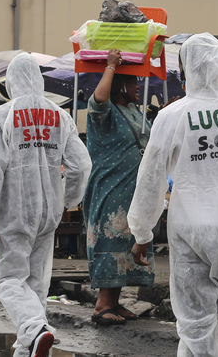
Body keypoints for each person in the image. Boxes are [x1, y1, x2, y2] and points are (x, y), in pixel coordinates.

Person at [128, 33, 218, 356]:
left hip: (191, 226)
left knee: (195, 319)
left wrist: (142, 232)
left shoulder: (173, 116)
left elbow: (150, 179)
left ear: (185, 70)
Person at [0, 54, 91, 357]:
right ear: (38, 79)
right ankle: (30, 348)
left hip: (13, 210)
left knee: (7, 280)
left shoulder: (1, 116)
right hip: (49, 210)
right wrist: (69, 200)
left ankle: (36, 329)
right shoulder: (59, 115)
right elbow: (81, 166)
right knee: (36, 283)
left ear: (10, 82)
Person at [82, 49, 155, 325]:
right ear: (121, 85)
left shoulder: (134, 111)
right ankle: (102, 305)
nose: (139, 86)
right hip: (111, 189)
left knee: (128, 242)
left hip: (132, 190)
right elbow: (99, 99)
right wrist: (111, 66)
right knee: (112, 239)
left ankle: (115, 301)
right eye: (134, 81)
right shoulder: (105, 110)